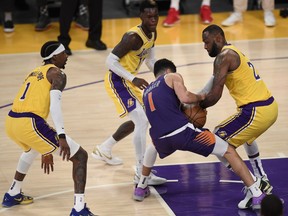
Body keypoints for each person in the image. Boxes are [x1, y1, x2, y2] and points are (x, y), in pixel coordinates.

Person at [133, 58, 266, 210]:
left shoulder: (147, 92)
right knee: (228, 150)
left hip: (160, 138)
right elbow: (186, 98)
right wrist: (201, 97)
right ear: (169, 71)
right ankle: (256, 194)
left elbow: (161, 113)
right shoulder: (172, 77)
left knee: (153, 147)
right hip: (182, 133)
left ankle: (141, 186)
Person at [1, 41, 96, 216]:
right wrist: (61, 136)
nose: (67, 56)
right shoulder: (57, 74)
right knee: (80, 156)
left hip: (12, 122)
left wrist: (45, 149)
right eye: (64, 53)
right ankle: (79, 209)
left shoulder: (34, 71)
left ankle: (12, 193)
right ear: (54, 57)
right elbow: (55, 106)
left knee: (30, 150)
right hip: (30, 123)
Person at [199, 24, 278, 209]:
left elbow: (215, 95)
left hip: (256, 110)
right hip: (269, 106)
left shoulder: (223, 57)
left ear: (218, 38)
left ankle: (253, 186)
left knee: (217, 138)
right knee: (247, 136)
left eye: (206, 42)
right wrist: (194, 100)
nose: (204, 47)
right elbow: (209, 87)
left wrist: (196, 108)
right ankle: (261, 178)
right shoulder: (232, 50)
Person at [91, 0, 166, 186]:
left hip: (129, 81)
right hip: (117, 80)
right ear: (141, 16)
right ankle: (141, 172)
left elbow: (151, 59)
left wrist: (163, 75)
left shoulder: (153, 32)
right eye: (149, 16)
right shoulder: (133, 37)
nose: (153, 19)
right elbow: (110, 61)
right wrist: (133, 79)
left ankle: (104, 148)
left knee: (139, 120)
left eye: (155, 16)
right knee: (142, 120)